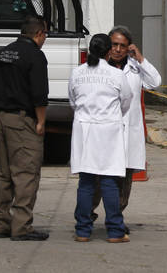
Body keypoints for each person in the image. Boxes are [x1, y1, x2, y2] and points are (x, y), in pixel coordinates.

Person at [90, 26, 161, 225]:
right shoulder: (98, 68)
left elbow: (155, 82)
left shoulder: (135, 68)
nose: (118, 50)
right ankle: (88, 213)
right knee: (97, 177)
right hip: (104, 132)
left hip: (129, 131)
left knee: (124, 179)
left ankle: (115, 218)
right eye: (114, 44)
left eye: (123, 45)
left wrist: (140, 58)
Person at [0, 15, 50, 242]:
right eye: (45, 35)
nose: (45, 39)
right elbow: (39, 95)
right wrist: (41, 122)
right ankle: (21, 226)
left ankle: (1, 224)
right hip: (22, 120)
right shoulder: (35, 56)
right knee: (25, 173)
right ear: (38, 34)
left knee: (4, 173)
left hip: (1, 117)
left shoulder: (3, 52)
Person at [68, 33, 133, 243]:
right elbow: (126, 101)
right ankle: (115, 230)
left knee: (86, 182)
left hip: (84, 130)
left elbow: (73, 101)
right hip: (108, 132)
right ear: (108, 52)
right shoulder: (116, 75)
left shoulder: (77, 73)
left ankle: (83, 230)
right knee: (109, 182)